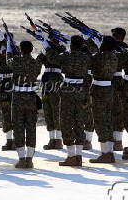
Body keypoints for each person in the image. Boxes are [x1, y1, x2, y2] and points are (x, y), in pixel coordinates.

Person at [44, 35, 91, 166]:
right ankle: (79, 156)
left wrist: (46, 46)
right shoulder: (86, 58)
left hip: (68, 91)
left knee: (66, 122)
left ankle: (71, 156)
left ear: (72, 45)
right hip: (81, 89)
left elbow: (52, 58)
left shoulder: (66, 56)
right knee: (79, 122)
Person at [6, 40, 42, 168]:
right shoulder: (36, 64)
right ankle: (29, 159)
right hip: (31, 98)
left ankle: (22, 159)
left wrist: (9, 49)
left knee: (18, 127)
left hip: (18, 98)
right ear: (32, 50)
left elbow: (8, 61)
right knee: (31, 128)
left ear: (20, 50)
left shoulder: (16, 61)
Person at [88, 36, 118, 163]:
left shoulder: (99, 57)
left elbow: (89, 62)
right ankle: (109, 152)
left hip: (99, 90)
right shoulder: (114, 56)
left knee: (100, 121)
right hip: (109, 89)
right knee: (107, 120)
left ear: (105, 45)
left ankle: (106, 153)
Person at [36, 34, 65, 150]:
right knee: (47, 110)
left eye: (53, 38)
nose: (51, 40)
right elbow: (38, 62)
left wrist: (49, 49)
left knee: (56, 110)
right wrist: (44, 50)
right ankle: (52, 139)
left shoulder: (62, 50)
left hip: (56, 80)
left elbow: (59, 60)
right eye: (50, 39)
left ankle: (58, 140)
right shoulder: (47, 50)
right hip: (46, 80)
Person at [0, 34, 15, 151]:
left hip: (14, 82)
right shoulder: (0, 52)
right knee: (5, 111)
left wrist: (8, 52)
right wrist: (0, 53)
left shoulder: (15, 50)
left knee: (15, 112)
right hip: (4, 82)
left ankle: (16, 140)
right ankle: (9, 140)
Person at [110, 28, 128, 151]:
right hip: (110, 80)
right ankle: (113, 140)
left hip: (116, 79)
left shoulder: (124, 48)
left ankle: (118, 141)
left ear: (120, 36)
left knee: (117, 111)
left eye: (114, 35)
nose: (113, 37)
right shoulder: (112, 45)